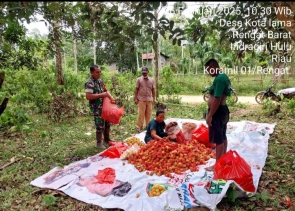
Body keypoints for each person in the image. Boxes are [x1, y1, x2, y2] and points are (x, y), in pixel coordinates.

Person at [204, 59, 231, 171]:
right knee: (223, 135)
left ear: (214, 67)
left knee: (219, 139)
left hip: (218, 112)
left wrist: (210, 115)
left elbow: (217, 99)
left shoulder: (219, 79)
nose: (208, 72)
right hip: (223, 110)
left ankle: (217, 165)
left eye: (209, 70)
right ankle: (222, 160)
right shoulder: (223, 76)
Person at [85, 65, 115, 149]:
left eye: (100, 72)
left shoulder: (100, 81)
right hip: (96, 107)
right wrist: (102, 94)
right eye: (97, 72)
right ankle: (99, 143)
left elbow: (105, 90)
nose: (99, 73)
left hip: (104, 106)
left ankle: (107, 139)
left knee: (107, 122)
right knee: (99, 124)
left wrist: (111, 97)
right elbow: (88, 96)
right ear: (91, 72)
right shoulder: (90, 83)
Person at [134, 66, 156, 132]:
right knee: (141, 113)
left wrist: (154, 99)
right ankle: (139, 126)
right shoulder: (139, 80)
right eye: (143, 73)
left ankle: (147, 126)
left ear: (148, 72)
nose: (144, 74)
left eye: (145, 73)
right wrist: (135, 98)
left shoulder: (152, 80)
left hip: (149, 99)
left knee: (148, 114)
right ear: (142, 73)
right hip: (141, 99)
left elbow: (153, 90)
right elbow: (136, 90)